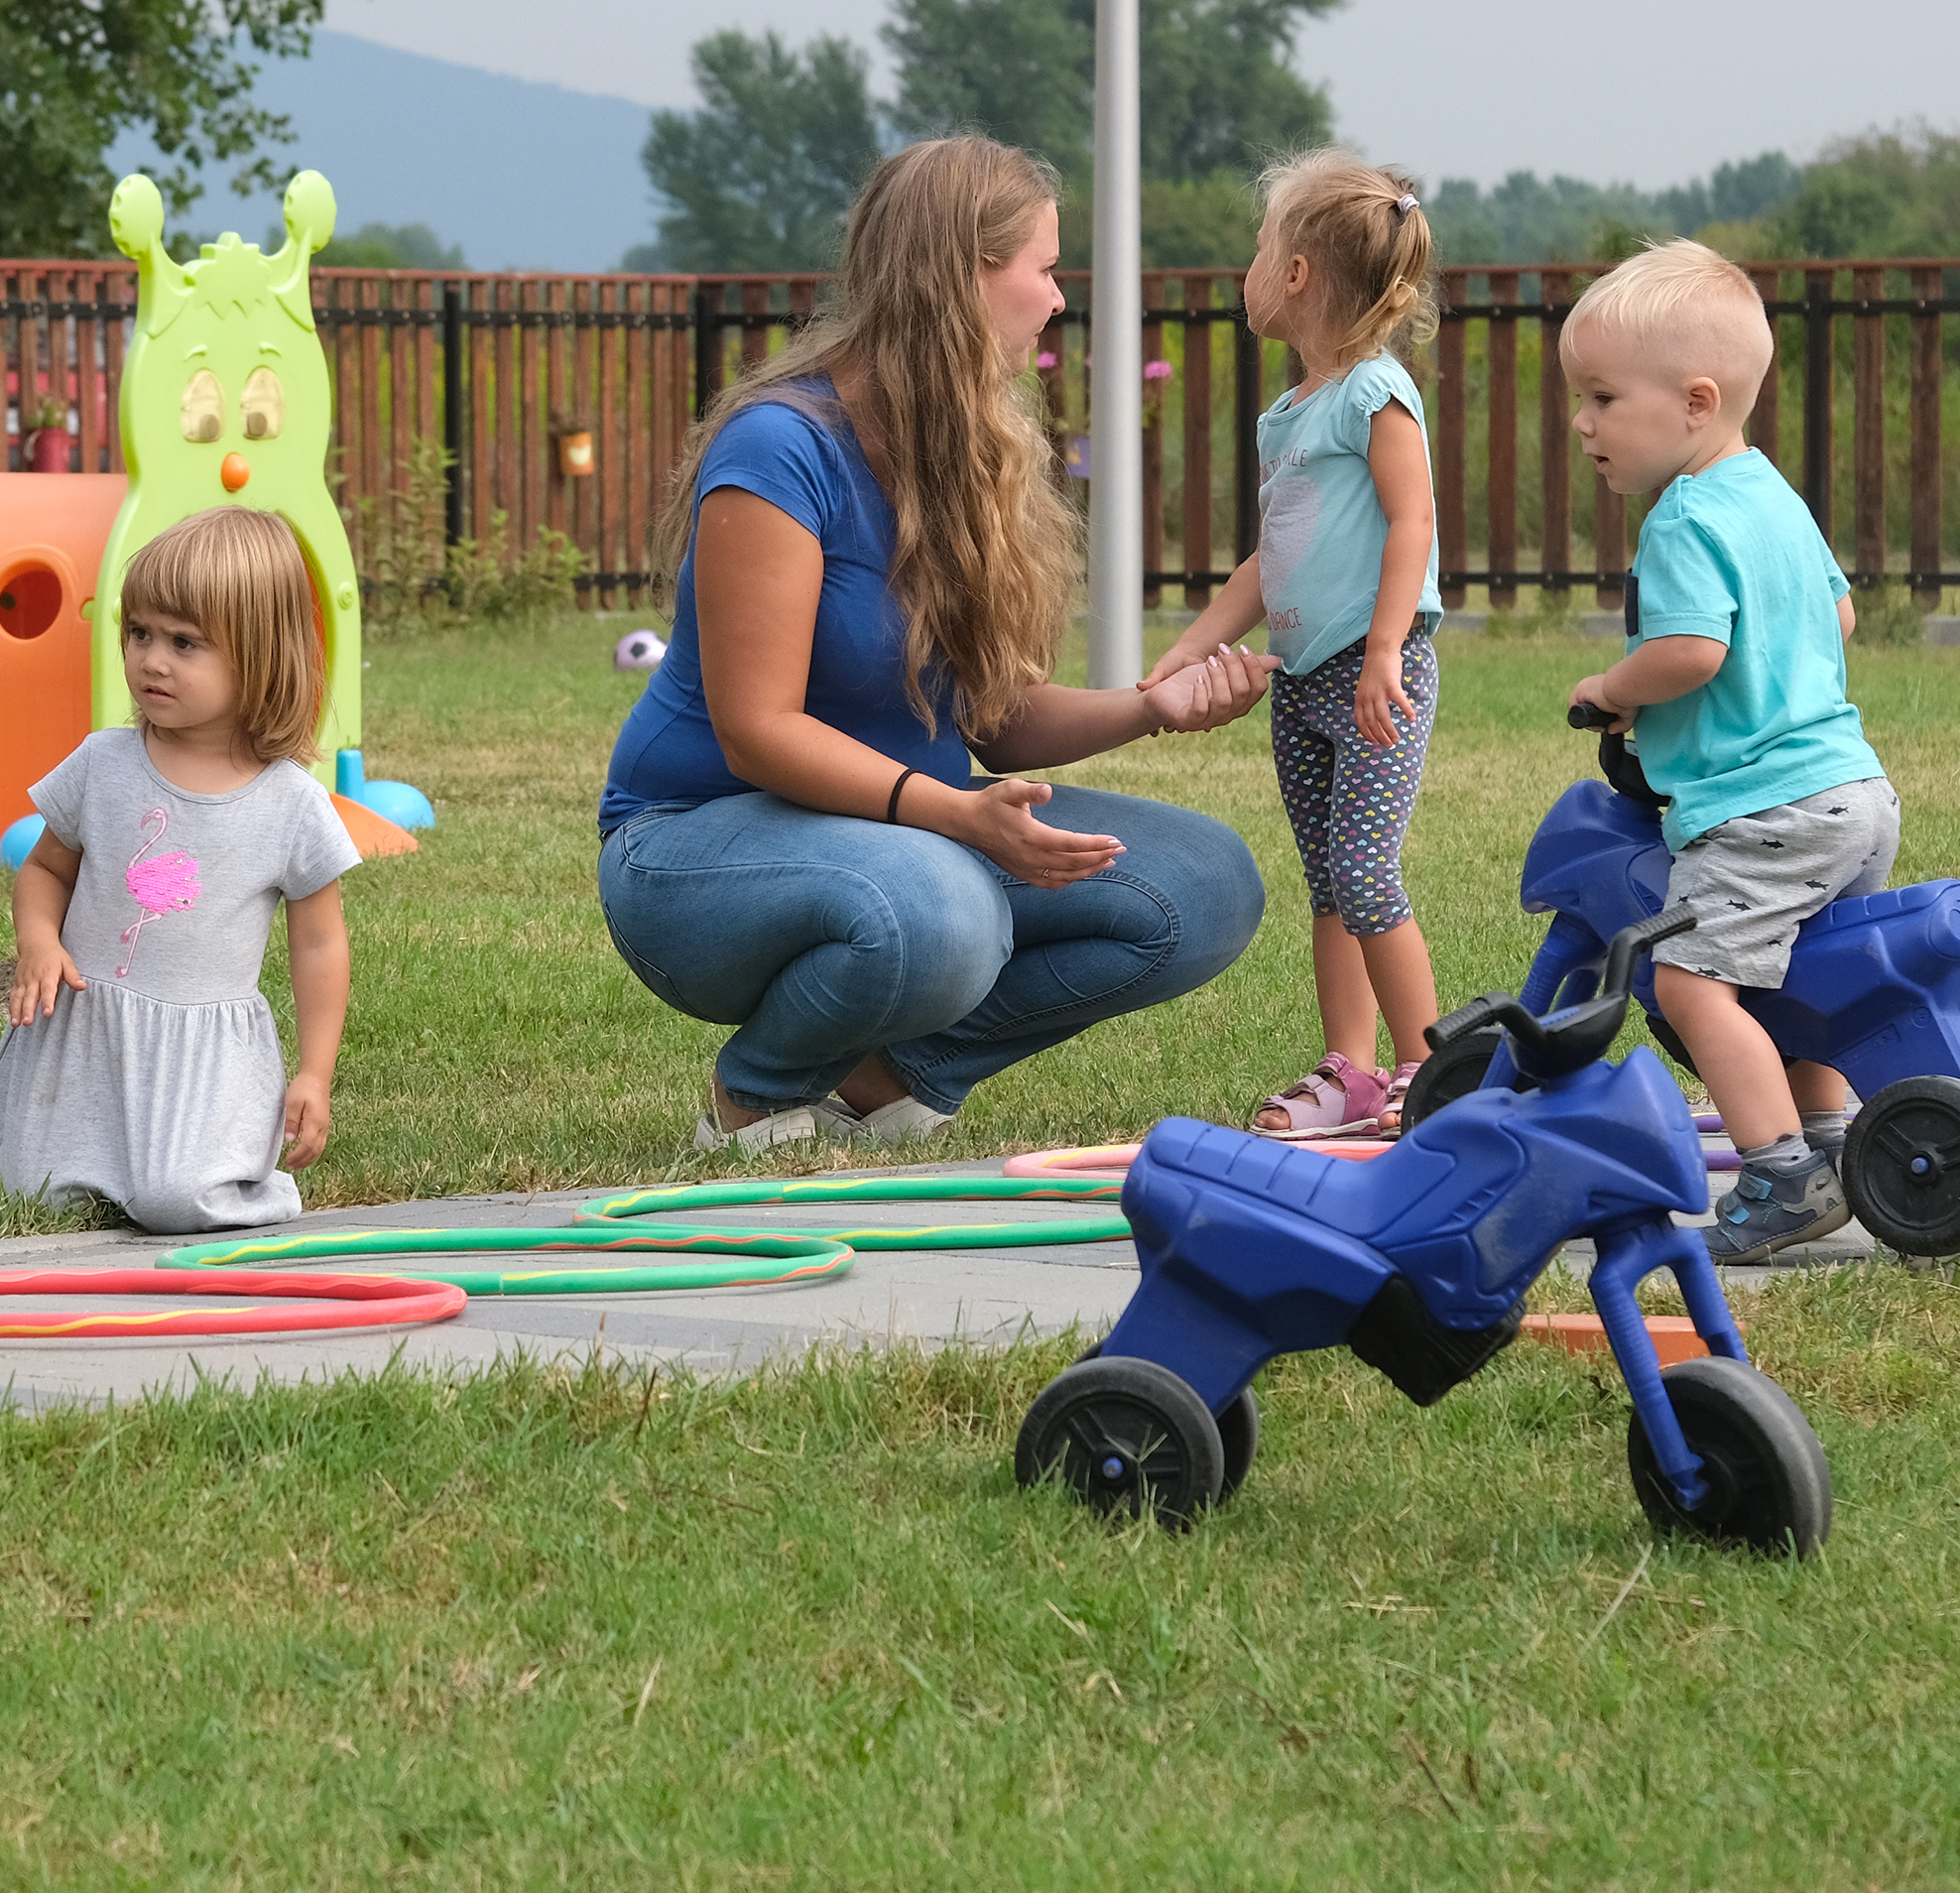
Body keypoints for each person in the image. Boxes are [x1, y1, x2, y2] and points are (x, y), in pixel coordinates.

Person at [597, 135, 1277, 1154]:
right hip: (697, 848)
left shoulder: (970, 453)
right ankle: (755, 1096)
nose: (1055, 299)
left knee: (1209, 884)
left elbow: (994, 719)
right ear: (963, 274)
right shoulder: (779, 447)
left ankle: (886, 1082)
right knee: (950, 912)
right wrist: (957, 816)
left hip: (914, 843)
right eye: (1042, 268)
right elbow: (756, 730)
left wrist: (1147, 707)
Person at [1560, 238, 1895, 1265]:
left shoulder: (1684, 519)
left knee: (1690, 981)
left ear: (1696, 402)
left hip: (1763, 812)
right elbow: (1836, 616)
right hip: (1854, 794)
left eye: (1604, 399)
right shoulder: (1769, 494)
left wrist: (1614, 688)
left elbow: (1692, 650)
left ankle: (1783, 1171)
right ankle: (1835, 1136)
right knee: (1802, 982)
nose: (1583, 425)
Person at [1158, 151, 1445, 1139]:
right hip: (1304, 683)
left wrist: (1382, 652)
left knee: (1366, 873)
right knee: (1328, 878)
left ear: (1294, 274)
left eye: (1257, 247)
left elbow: (1413, 525)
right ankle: (1351, 1072)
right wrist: (1189, 650)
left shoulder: (1376, 393)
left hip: (1377, 677)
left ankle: (1428, 1069)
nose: (1246, 268)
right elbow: (1263, 567)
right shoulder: (1290, 415)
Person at [0, 504, 359, 1231]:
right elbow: (45, 871)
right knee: (40, 1195)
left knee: (173, 1201)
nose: (151, 659)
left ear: (257, 657)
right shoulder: (102, 764)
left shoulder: (290, 803)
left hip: (201, 1057)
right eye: (139, 634)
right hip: (86, 1032)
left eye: (185, 643)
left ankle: (251, 1180)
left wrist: (314, 1072)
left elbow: (320, 943)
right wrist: (38, 938)